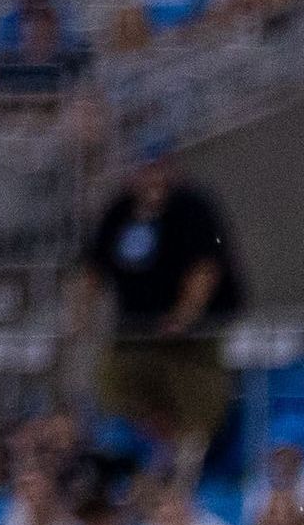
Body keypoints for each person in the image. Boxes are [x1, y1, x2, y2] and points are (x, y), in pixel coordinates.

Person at [83, 136, 238, 463]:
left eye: (158, 168)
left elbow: (205, 269)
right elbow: (90, 271)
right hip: (135, 334)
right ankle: (153, 454)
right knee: (114, 388)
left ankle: (187, 464)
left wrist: (183, 317)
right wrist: (79, 318)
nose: (151, 176)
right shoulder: (119, 210)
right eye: (144, 169)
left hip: (190, 338)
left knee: (195, 398)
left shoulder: (192, 207)